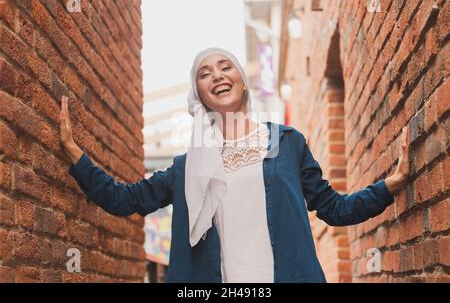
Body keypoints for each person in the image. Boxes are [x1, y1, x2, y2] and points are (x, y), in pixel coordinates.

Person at [60, 47, 410, 283]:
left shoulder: (286, 143)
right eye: (205, 73)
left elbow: (333, 208)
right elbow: (126, 200)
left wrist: (388, 186)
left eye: (225, 67)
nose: (217, 75)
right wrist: (76, 155)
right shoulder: (187, 168)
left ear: (242, 83)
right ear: (198, 95)